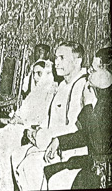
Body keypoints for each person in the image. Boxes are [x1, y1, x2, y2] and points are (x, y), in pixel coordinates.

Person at [15, 41, 97, 190]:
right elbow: (51, 117)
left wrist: (40, 135)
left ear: (77, 61)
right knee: (17, 155)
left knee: (30, 165)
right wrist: (37, 130)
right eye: (55, 58)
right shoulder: (62, 84)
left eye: (61, 58)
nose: (56, 63)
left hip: (71, 148)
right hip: (51, 141)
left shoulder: (82, 86)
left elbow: (74, 128)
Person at [0, 59, 57, 191]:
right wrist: (15, 118)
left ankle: (5, 187)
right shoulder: (34, 93)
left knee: (2, 147)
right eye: (34, 74)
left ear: (47, 74)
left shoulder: (51, 93)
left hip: (28, 131)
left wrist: (21, 121)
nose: (36, 77)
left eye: (39, 73)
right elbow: (22, 112)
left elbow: (43, 121)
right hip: (16, 127)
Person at [44, 47, 112, 189]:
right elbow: (87, 134)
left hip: (105, 171)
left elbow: (99, 146)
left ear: (109, 74)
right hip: (96, 163)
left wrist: (87, 106)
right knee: (50, 172)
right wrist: (59, 141)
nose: (88, 72)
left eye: (93, 69)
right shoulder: (103, 95)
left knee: (57, 180)